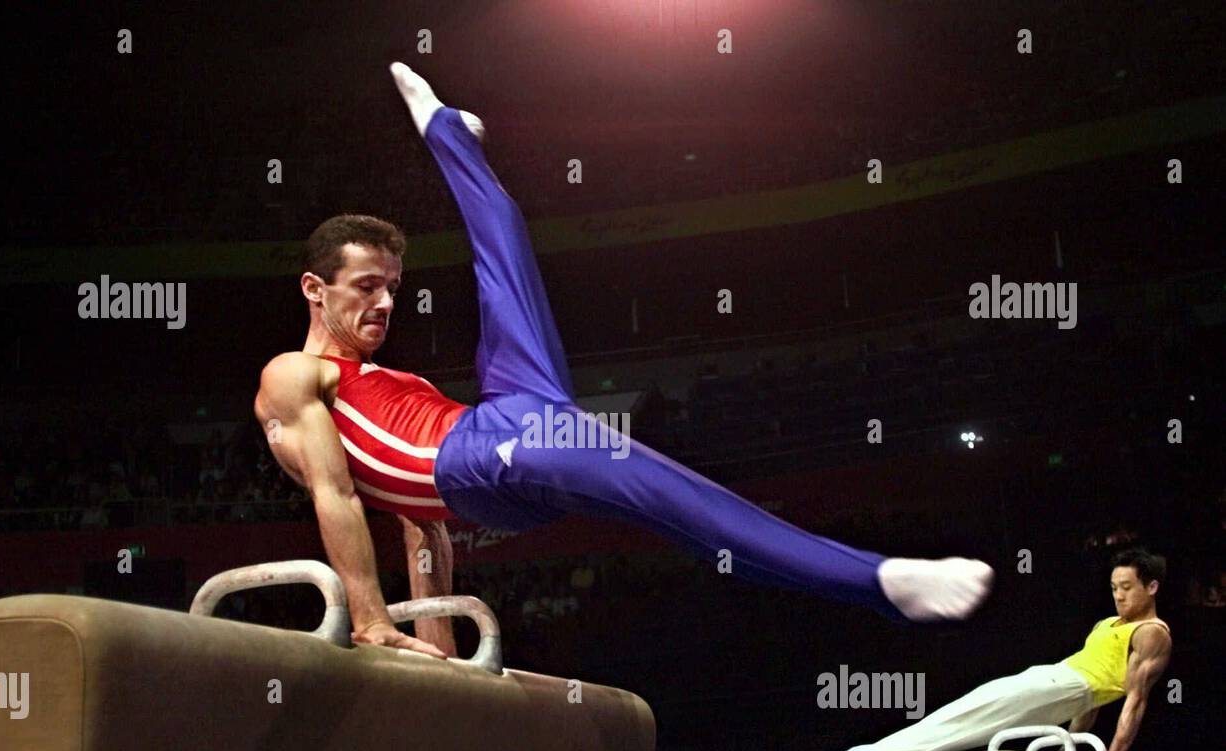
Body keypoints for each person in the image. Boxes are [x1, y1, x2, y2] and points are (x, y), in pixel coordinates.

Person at [253, 63, 994, 660]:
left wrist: (439, 641)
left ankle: (447, 132)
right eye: (366, 287)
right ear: (315, 289)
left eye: (393, 287)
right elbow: (339, 496)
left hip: (503, 427)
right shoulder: (294, 376)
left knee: (507, 255)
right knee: (668, 493)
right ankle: (881, 581)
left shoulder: (398, 379)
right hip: (487, 458)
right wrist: (373, 621)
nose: (386, 304)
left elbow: (425, 528)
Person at [827, 548, 1172, 751]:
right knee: (974, 710)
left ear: (1152, 587)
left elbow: (1135, 700)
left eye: (1127, 588)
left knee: (976, 716)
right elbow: (1091, 705)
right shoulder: (1107, 623)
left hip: (1068, 686)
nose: (1119, 596)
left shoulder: (1151, 634)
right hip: (1055, 679)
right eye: (1114, 588)